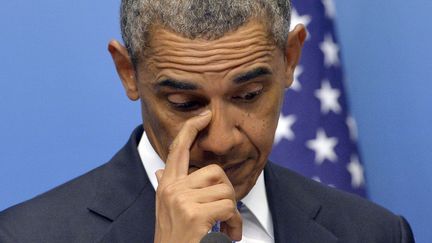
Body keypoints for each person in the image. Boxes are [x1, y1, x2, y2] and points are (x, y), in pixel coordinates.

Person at [0, 0, 415, 242]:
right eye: (184, 102)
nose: (219, 141)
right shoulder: (26, 237)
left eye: (248, 96)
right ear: (128, 72)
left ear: (290, 58)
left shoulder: (375, 234)